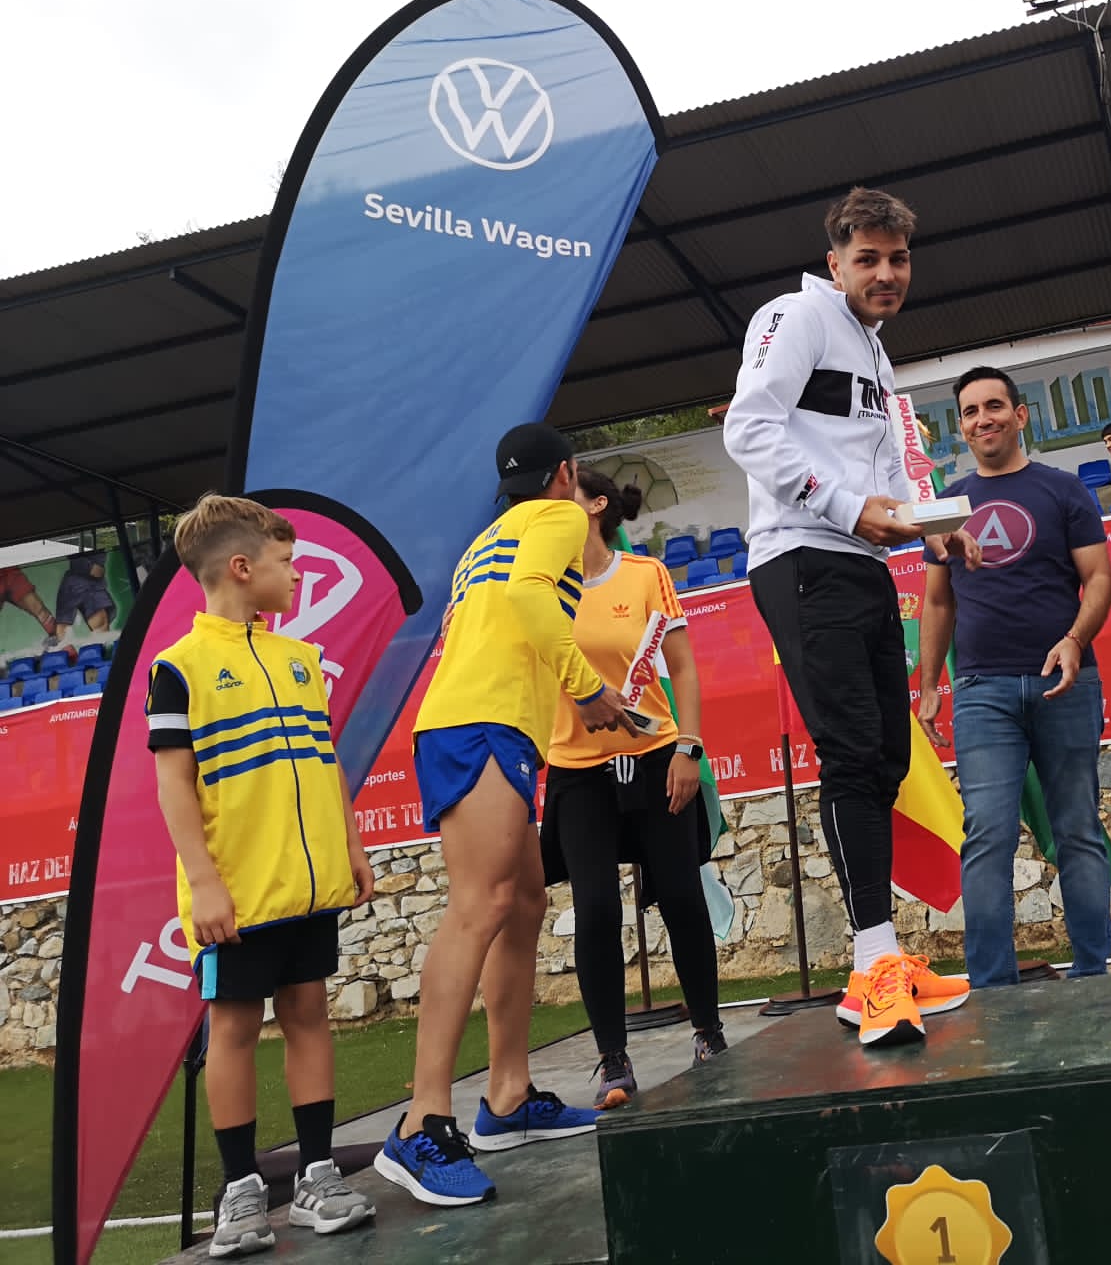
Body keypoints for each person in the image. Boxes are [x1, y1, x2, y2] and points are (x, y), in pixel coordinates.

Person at [723, 186, 971, 1051]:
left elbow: (888, 474)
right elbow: (748, 430)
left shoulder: (873, 349)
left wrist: (933, 530)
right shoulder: (796, 316)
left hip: (863, 563)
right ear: (835, 263)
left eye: (898, 259)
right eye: (868, 259)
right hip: (801, 556)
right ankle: (871, 970)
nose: (886, 274)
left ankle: (886, 958)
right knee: (853, 756)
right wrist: (843, 504)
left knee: (888, 756)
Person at [376, 424, 635, 1208]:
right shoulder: (560, 515)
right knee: (481, 905)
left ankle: (510, 1096)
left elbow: (502, 619)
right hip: (478, 722)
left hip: (490, 722)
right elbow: (528, 599)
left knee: (522, 902)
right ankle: (420, 1124)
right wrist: (586, 687)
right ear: (567, 474)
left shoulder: (488, 537)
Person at [147, 494, 377, 1254]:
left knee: (309, 1013)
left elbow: (326, 761)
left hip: (309, 888)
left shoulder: (300, 658)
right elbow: (174, 786)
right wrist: (205, 883)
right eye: (286, 562)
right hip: (237, 896)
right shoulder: (178, 668)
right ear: (242, 568)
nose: (296, 574)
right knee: (235, 1029)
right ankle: (240, 1190)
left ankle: (318, 1176)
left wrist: (350, 845)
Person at [917, 366, 1111, 988]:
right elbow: (937, 602)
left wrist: (1075, 640)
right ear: (962, 427)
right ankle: (992, 990)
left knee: (1077, 829)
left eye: (995, 406)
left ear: (1020, 414)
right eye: (971, 412)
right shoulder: (947, 507)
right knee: (987, 836)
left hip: (1067, 684)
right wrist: (929, 686)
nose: (984, 420)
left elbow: (1099, 579)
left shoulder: (1064, 489)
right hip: (982, 693)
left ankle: (1094, 974)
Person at [544, 466, 724, 1111]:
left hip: (655, 758)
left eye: (563, 497)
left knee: (680, 897)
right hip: (577, 769)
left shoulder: (645, 574)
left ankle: (709, 1034)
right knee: (595, 909)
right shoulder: (539, 589)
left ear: (596, 506)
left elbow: (683, 668)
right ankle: (613, 1058)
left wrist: (688, 748)